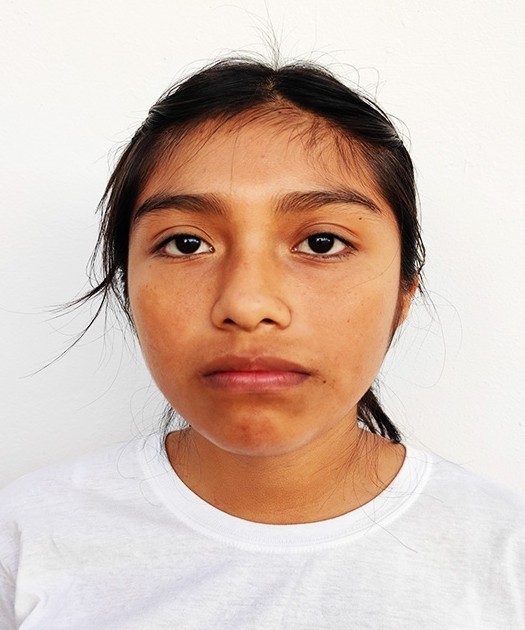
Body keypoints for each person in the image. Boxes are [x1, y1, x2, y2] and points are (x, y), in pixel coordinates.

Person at [0, 57, 523, 629]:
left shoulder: (506, 557)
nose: (247, 305)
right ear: (129, 288)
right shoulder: (26, 538)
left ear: (403, 295)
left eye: (322, 243)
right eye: (186, 244)